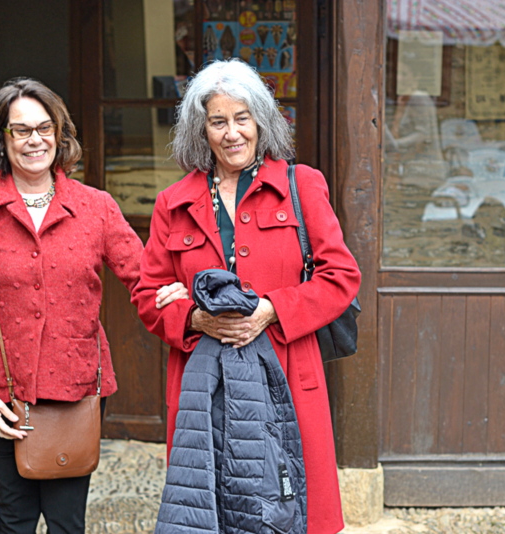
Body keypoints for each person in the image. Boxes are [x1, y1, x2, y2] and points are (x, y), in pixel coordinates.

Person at [0, 78, 185, 533]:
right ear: (0, 140)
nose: (34, 140)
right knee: (14, 515)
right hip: (0, 393)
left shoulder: (96, 207)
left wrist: (180, 294)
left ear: (59, 134)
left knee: (67, 521)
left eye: (44, 128)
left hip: (77, 386)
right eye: (20, 130)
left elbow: (144, 276)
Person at [132, 58, 361, 533]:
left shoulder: (302, 185)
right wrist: (194, 318)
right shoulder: (173, 203)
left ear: (261, 121)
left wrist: (271, 310)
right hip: (205, 382)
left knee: (289, 503)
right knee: (211, 509)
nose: (232, 133)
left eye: (242, 118)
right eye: (218, 121)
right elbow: (148, 293)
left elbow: (340, 276)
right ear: (202, 130)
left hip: (287, 372)